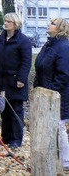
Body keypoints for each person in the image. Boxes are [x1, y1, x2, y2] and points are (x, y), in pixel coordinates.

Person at [0, 12, 31, 149]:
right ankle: (6, 138)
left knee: (16, 110)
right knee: (3, 109)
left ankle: (16, 139)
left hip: (15, 80)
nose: (5, 23)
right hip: (1, 80)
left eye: (9, 21)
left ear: (15, 24)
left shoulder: (23, 40)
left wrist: (22, 78)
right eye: (5, 21)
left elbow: (26, 61)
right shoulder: (0, 39)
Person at [34, 18, 69, 170]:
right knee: (48, 126)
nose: (49, 25)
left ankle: (65, 162)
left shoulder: (64, 47)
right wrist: (37, 89)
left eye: (53, 23)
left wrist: (51, 91)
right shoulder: (48, 45)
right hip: (43, 94)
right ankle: (50, 159)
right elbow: (40, 67)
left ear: (60, 28)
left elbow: (64, 74)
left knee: (59, 126)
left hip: (59, 95)